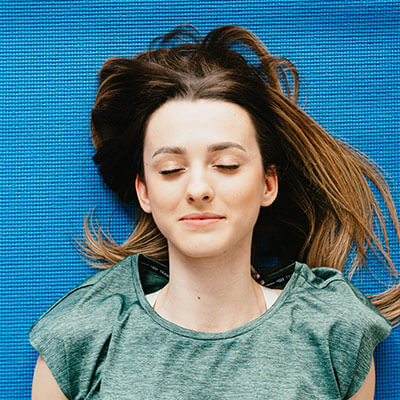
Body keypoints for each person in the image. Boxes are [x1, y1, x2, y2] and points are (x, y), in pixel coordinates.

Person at [29, 24, 399, 399]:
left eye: (226, 165)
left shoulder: (334, 330)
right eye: (171, 169)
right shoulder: (79, 337)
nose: (199, 190)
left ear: (268, 184)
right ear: (144, 191)